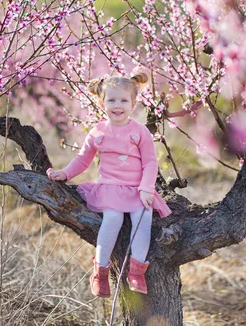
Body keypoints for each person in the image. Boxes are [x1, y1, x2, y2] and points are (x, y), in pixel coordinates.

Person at [47, 72, 171, 298]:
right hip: (110, 189)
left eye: (123, 100)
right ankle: (100, 271)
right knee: (112, 220)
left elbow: (151, 163)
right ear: (102, 102)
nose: (117, 105)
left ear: (133, 103)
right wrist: (64, 173)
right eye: (112, 100)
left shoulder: (139, 131)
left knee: (142, 220)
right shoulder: (98, 132)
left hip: (136, 189)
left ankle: (136, 270)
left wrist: (146, 188)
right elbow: (83, 159)